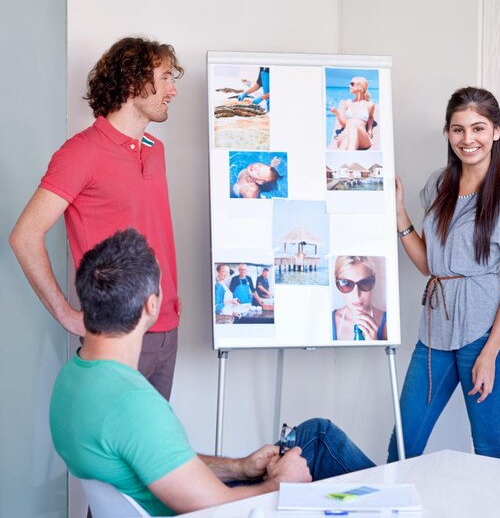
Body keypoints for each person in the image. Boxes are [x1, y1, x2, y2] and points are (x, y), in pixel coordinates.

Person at [49, 229, 375, 516]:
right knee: (319, 439)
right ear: (151, 305)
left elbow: (160, 463)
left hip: (182, 499)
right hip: (211, 510)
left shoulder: (74, 378)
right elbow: (216, 506)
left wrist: (240, 467)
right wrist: (279, 484)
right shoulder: (133, 405)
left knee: (314, 436)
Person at [9, 37, 183, 400]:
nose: (173, 90)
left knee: (153, 456)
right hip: (116, 337)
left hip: (167, 330)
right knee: (105, 454)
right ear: (134, 82)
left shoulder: (156, 150)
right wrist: (67, 315)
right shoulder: (80, 153)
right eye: (165, 78)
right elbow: (25, 235)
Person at [388, 87, 500, 462]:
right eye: (458, 129)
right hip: (435, 330)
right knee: (404, 443)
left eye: (478, 128)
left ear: (496, 132)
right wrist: (401, 215)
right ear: (448, 133)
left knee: (487, 447)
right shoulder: (439, 184)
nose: (468, 139)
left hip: (485, 332)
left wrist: (490, 353)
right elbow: (430, 265)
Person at [332, 256, 387, 341]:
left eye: (364, 283)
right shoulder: (327, 322)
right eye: (346, 284)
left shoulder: (389, 323)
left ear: (373, 280)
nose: (356, 294)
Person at [330, 76, 376, 151]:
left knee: (354, 127)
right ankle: (347, 158)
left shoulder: (370, 104)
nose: (349, 86)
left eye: (352, 84)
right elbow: (344, 124)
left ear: (360, 86)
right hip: (345, 135)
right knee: (348, 134)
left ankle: (345, 158)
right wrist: (337, 113)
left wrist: (370, 129)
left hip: (362, 138)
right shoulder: (347, 103)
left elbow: (371, 118)